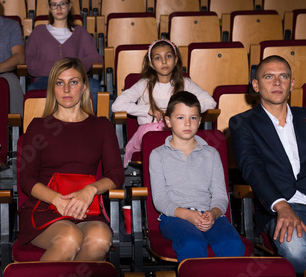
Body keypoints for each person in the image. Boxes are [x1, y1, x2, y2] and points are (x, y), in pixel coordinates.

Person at [18, 57, 124, 261]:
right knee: (69, 237)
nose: (66, 89)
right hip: (46, 207)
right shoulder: (39, 126)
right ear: (53, 88)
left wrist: (90, 190)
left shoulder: (102, 126)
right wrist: (56, 200)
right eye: (60, 82)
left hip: (86, 208)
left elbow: (116, 174)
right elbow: (27, 179)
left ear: (84, 87)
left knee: (101, 238)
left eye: (73, 82)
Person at [230, 55, 306, 275]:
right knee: (298, 252)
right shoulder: (242, 124)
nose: (277, 82)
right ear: (256, 85)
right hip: (281, 207)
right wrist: (281, 206)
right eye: (269, 77)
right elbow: (252, 168)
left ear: (291, 83)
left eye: (283, 76)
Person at [150, 91, 245, 262]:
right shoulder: (158, 155)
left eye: (193, 118)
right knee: (192, 243)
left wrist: (214, 213)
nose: (187, 123)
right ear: (168, 121)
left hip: (209, 215)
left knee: (232, 243)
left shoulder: (211, 153)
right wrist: (188, 215)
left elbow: (220, 196)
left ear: (200, 121)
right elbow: (160, 199)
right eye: (180, 118)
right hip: (175, 217)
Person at [111, 39, 216, 164]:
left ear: (175, 60)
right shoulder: (144, 84)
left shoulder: (185, 83)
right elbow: (117, 105)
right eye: (157, 58)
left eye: (168, 56)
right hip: (150, 134)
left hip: (177, 132)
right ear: (151, 64)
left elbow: (210, 102)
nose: (164, 61)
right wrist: (148, 110)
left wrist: (182, 110)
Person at [25, 0, 102, 111]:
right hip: (47, 80)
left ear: (69, 6)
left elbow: (96, 58)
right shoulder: (38, 32)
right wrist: (57, 69)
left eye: (62, 4)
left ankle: (94, 127)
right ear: (50, 8)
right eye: (54, 5)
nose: (59, 8)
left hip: (75, 80)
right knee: (33, 90)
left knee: (93, 86)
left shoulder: (80, 32)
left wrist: (72, 68)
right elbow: (29, 63)